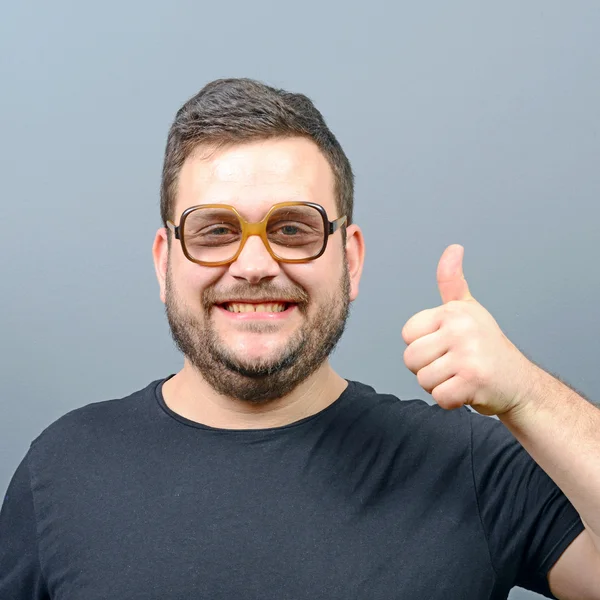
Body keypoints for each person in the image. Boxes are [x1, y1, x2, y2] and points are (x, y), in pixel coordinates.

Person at [1, 78, 598, 600]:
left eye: (292, 229)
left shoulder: (466, 463)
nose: (255, 264)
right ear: (165, 263)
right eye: (215, 230)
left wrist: (529, 396)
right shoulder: (61, 470)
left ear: (350, 258)